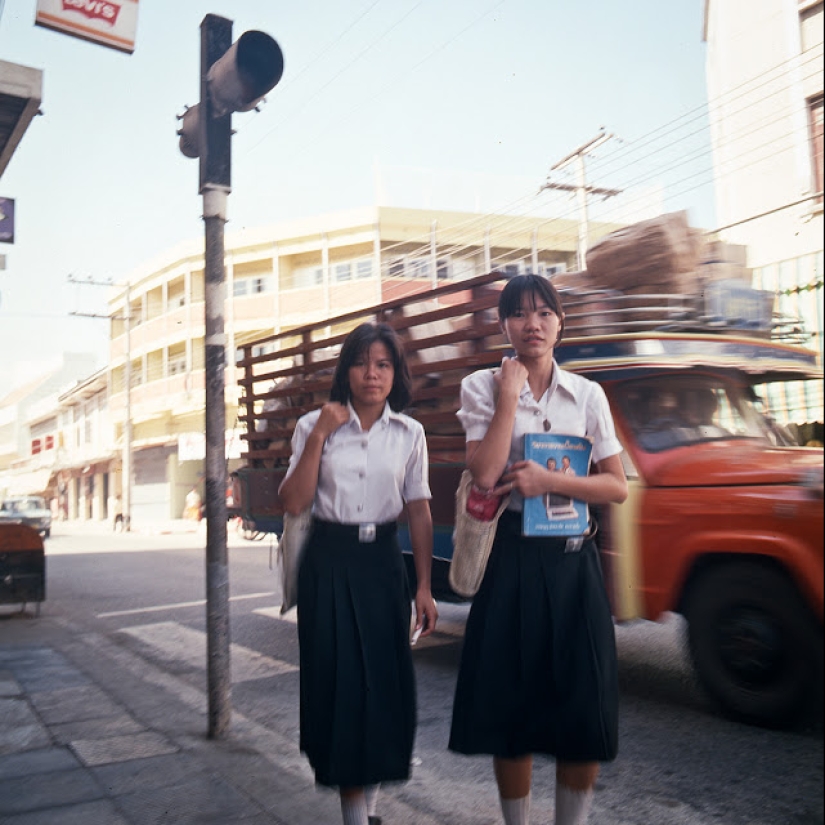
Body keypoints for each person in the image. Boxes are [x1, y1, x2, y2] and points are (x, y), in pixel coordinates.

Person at [449, 274, 628, 825]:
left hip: (574, 566)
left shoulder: (588, 395)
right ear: (504, 325)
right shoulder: (481, 386)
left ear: (559, 322)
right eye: (521, 314)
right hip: (512, 563)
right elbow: (482, 474)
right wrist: (509, 397)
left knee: (585, 712)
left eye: (544, 313)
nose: (534, 324)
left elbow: (617, 486)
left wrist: (551, 483)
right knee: (513, 714)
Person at [278, 321, 438, 825]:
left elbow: (418, 511)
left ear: (396, 374)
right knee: (341, 689)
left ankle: (368, 812)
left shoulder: (410, 433)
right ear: (346, 369)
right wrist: (322, 435)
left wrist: (425, 587)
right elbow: (294, 501)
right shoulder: (313, 425)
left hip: (382, 565)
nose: (372, 374)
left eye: (383, 364)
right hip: (329, 562)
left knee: (383, 689)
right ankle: (357, 819)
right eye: (362, 362)